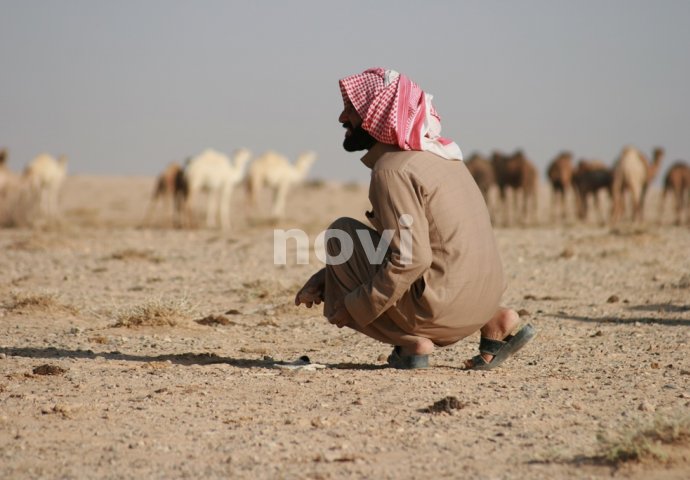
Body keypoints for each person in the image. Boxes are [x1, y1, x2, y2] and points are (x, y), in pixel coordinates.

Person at [294, 67, 535, 369]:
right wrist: (327, 278)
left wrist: (352, 305)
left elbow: (411, 259)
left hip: (444, 311)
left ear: (375, 117)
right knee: (354, 250)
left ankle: (411, 343)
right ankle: (495, 319)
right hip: (485, 296)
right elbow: (406, 244)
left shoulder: (391, 170)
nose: (343, 118)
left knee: (339, 235)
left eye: (351, 110)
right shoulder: (444, 155)